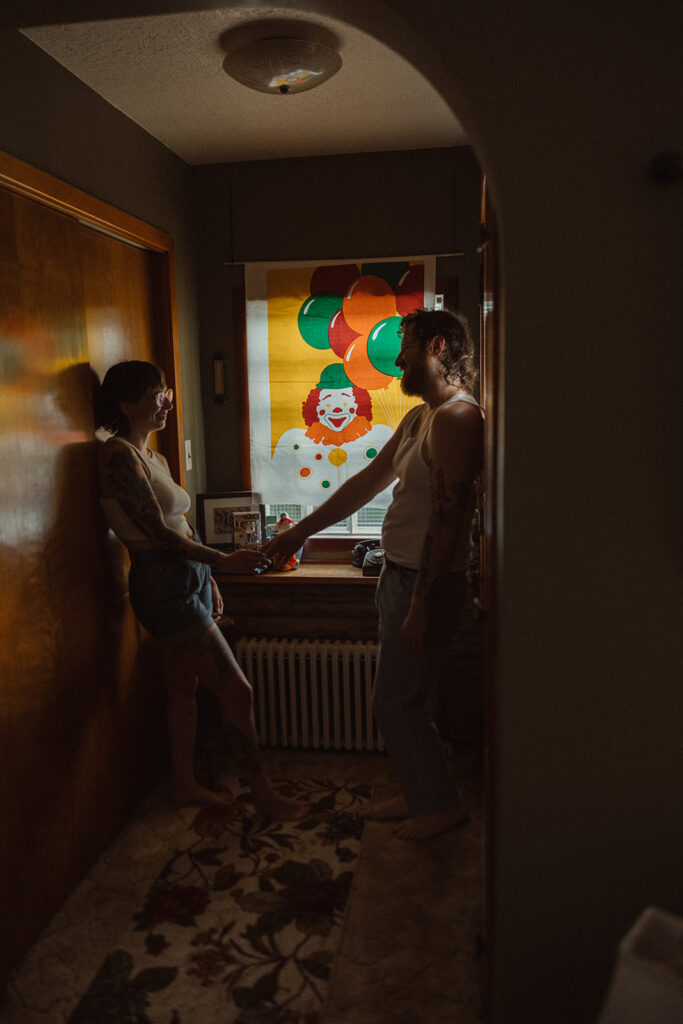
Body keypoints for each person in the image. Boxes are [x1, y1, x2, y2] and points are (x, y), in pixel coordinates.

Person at [265, 308, 484, 839]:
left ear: (436, 348)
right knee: (412, 698)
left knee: (393, 702)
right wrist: (300, 533)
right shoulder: (421, 417)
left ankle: (441, 806)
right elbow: (364, 483)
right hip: (400, 577)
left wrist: (424, 604)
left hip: (427, 585)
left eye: (405, 346)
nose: (397, 358)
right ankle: (418, 794)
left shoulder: (459, 418)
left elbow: (449, 519)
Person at [96, 360, 308, 819]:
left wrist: (208, 577)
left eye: (166, 393)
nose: (166, 402)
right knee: (238, 691)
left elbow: (182, 524)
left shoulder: (155, 457)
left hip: (186, 579)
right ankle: (262, 794)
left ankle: (185, 784)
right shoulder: (117, 454)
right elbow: (154, 531)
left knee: (183, 690)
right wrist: (224, 561)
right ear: (127, 404)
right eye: (157, 395)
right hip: (162, 588)